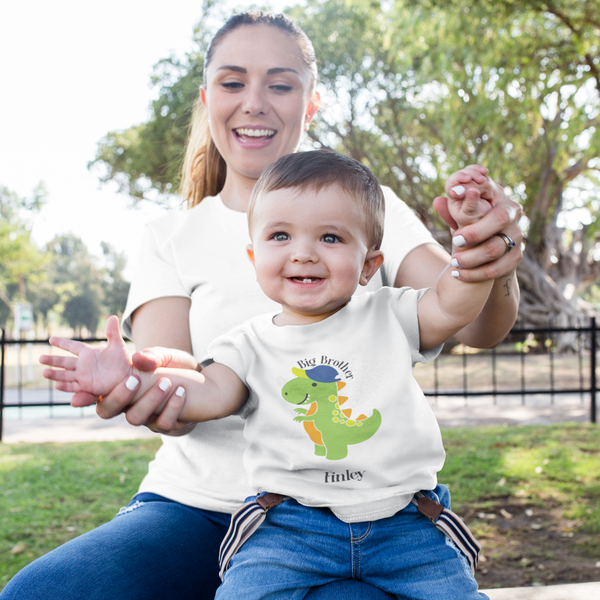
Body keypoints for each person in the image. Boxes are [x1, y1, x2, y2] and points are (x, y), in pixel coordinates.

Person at [1, 11, 521, 600]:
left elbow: (470, 318)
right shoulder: (171, 236)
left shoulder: (366, 205)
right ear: (206, 100)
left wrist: (486, 257)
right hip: (195, 509)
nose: (254, 102)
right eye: (232, 82)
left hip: (356, 512)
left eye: (279, 83)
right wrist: (140, 380)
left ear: (311, 102)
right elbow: (183, 370)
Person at [40, 150, 492, 599]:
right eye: (280, 236)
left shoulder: (391, 313)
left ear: (369, 264)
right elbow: (208, 390)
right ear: (254, 257)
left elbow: (450, 304)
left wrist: (474, 250)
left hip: (407, 523)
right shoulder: (248, 342)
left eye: (330, 238)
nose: (303, 254)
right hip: (289, 527)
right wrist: (134, 377)